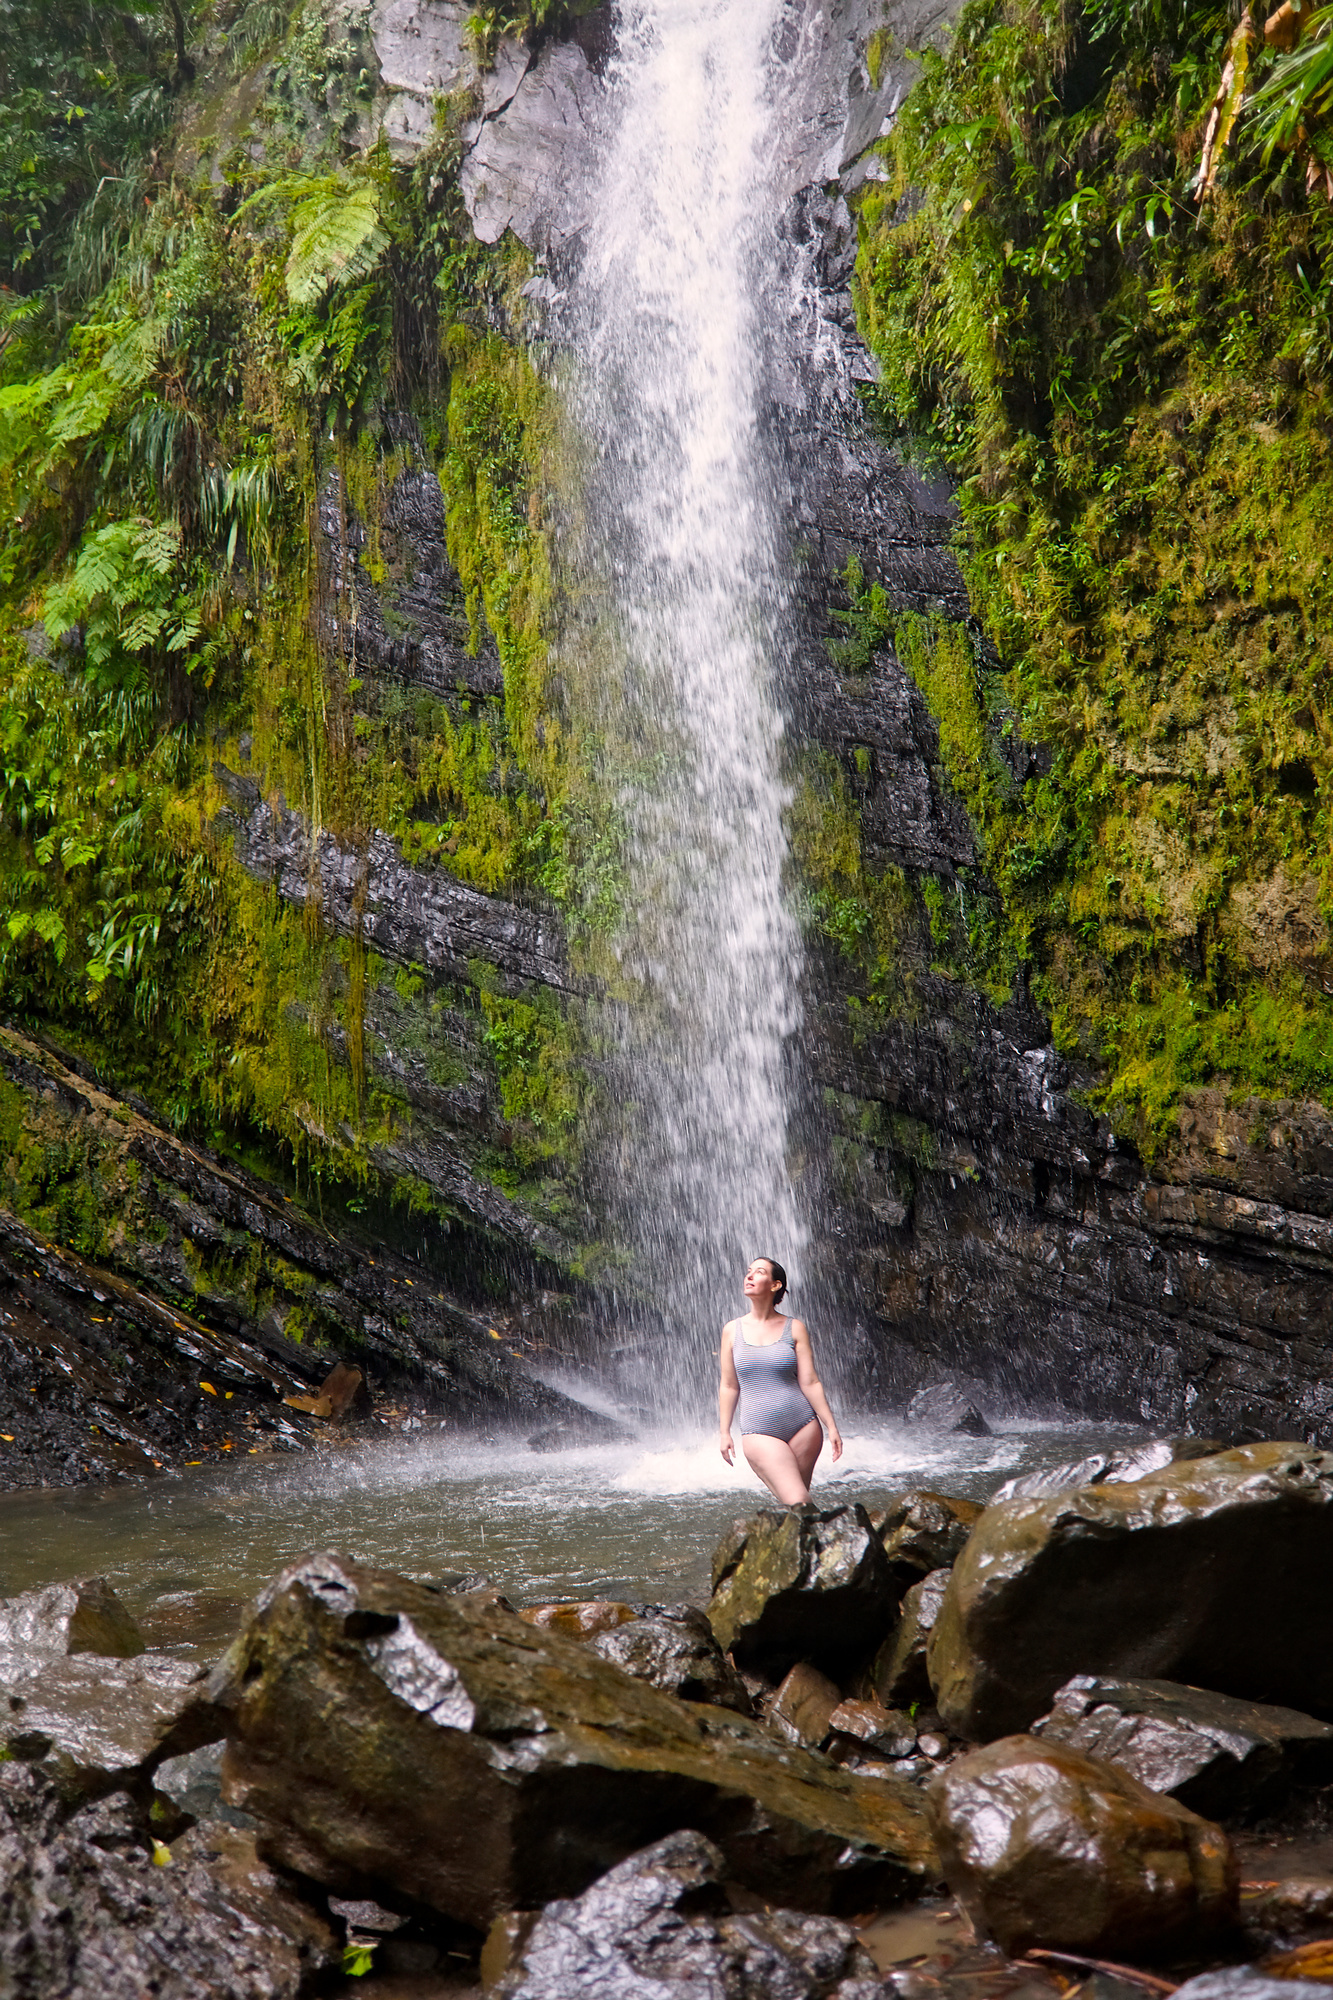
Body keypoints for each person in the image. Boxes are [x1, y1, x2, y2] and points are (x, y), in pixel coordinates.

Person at [717, 1256, 843, 1505]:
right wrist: (724, 1432)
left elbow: (810, 1382)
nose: (749, 1276)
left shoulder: (794, 1328)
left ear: (775, 1285)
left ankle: (800, 1544)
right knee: (798, 1501)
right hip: (759, 1430)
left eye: (759, 1272)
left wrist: (831, 1426)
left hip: (804, 1426)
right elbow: (729, 1385)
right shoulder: (732, 1330)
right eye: (748, 1271)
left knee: (796, 1504)